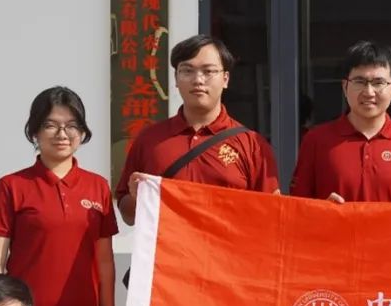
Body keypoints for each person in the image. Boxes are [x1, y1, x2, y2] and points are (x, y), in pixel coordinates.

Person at [0, 87, 118, 306]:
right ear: (35, 131)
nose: (62, 134)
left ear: (82, 132)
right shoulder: (11, 186)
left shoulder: (98, 187)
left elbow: (105, 263)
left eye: (72, 126)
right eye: (51, 125)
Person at [116, 34, 280, 226]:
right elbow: (127, 214)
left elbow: (271, 215)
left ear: (225, 79)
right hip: (170, 245)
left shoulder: (252, 144)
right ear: (176, 78)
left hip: (226, 245)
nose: (198, 80)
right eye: (187, 71)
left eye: (208, 71)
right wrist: (137, 198)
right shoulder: (150, 139)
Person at [290, 40, 391, 202]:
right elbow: (297, 205)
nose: (369, 92)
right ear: (345, 87)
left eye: (378, 83)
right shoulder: (315, 140)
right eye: (359, 82)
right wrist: (322, 210)